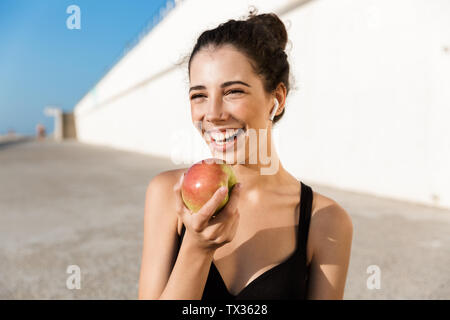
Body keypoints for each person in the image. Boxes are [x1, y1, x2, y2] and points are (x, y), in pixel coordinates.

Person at [139, 10, 353, 300]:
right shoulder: (168, 195)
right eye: (199, 95)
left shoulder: (326, 221)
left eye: (233, 92)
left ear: (276, 99)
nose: (212, 115)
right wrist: (197, 247)